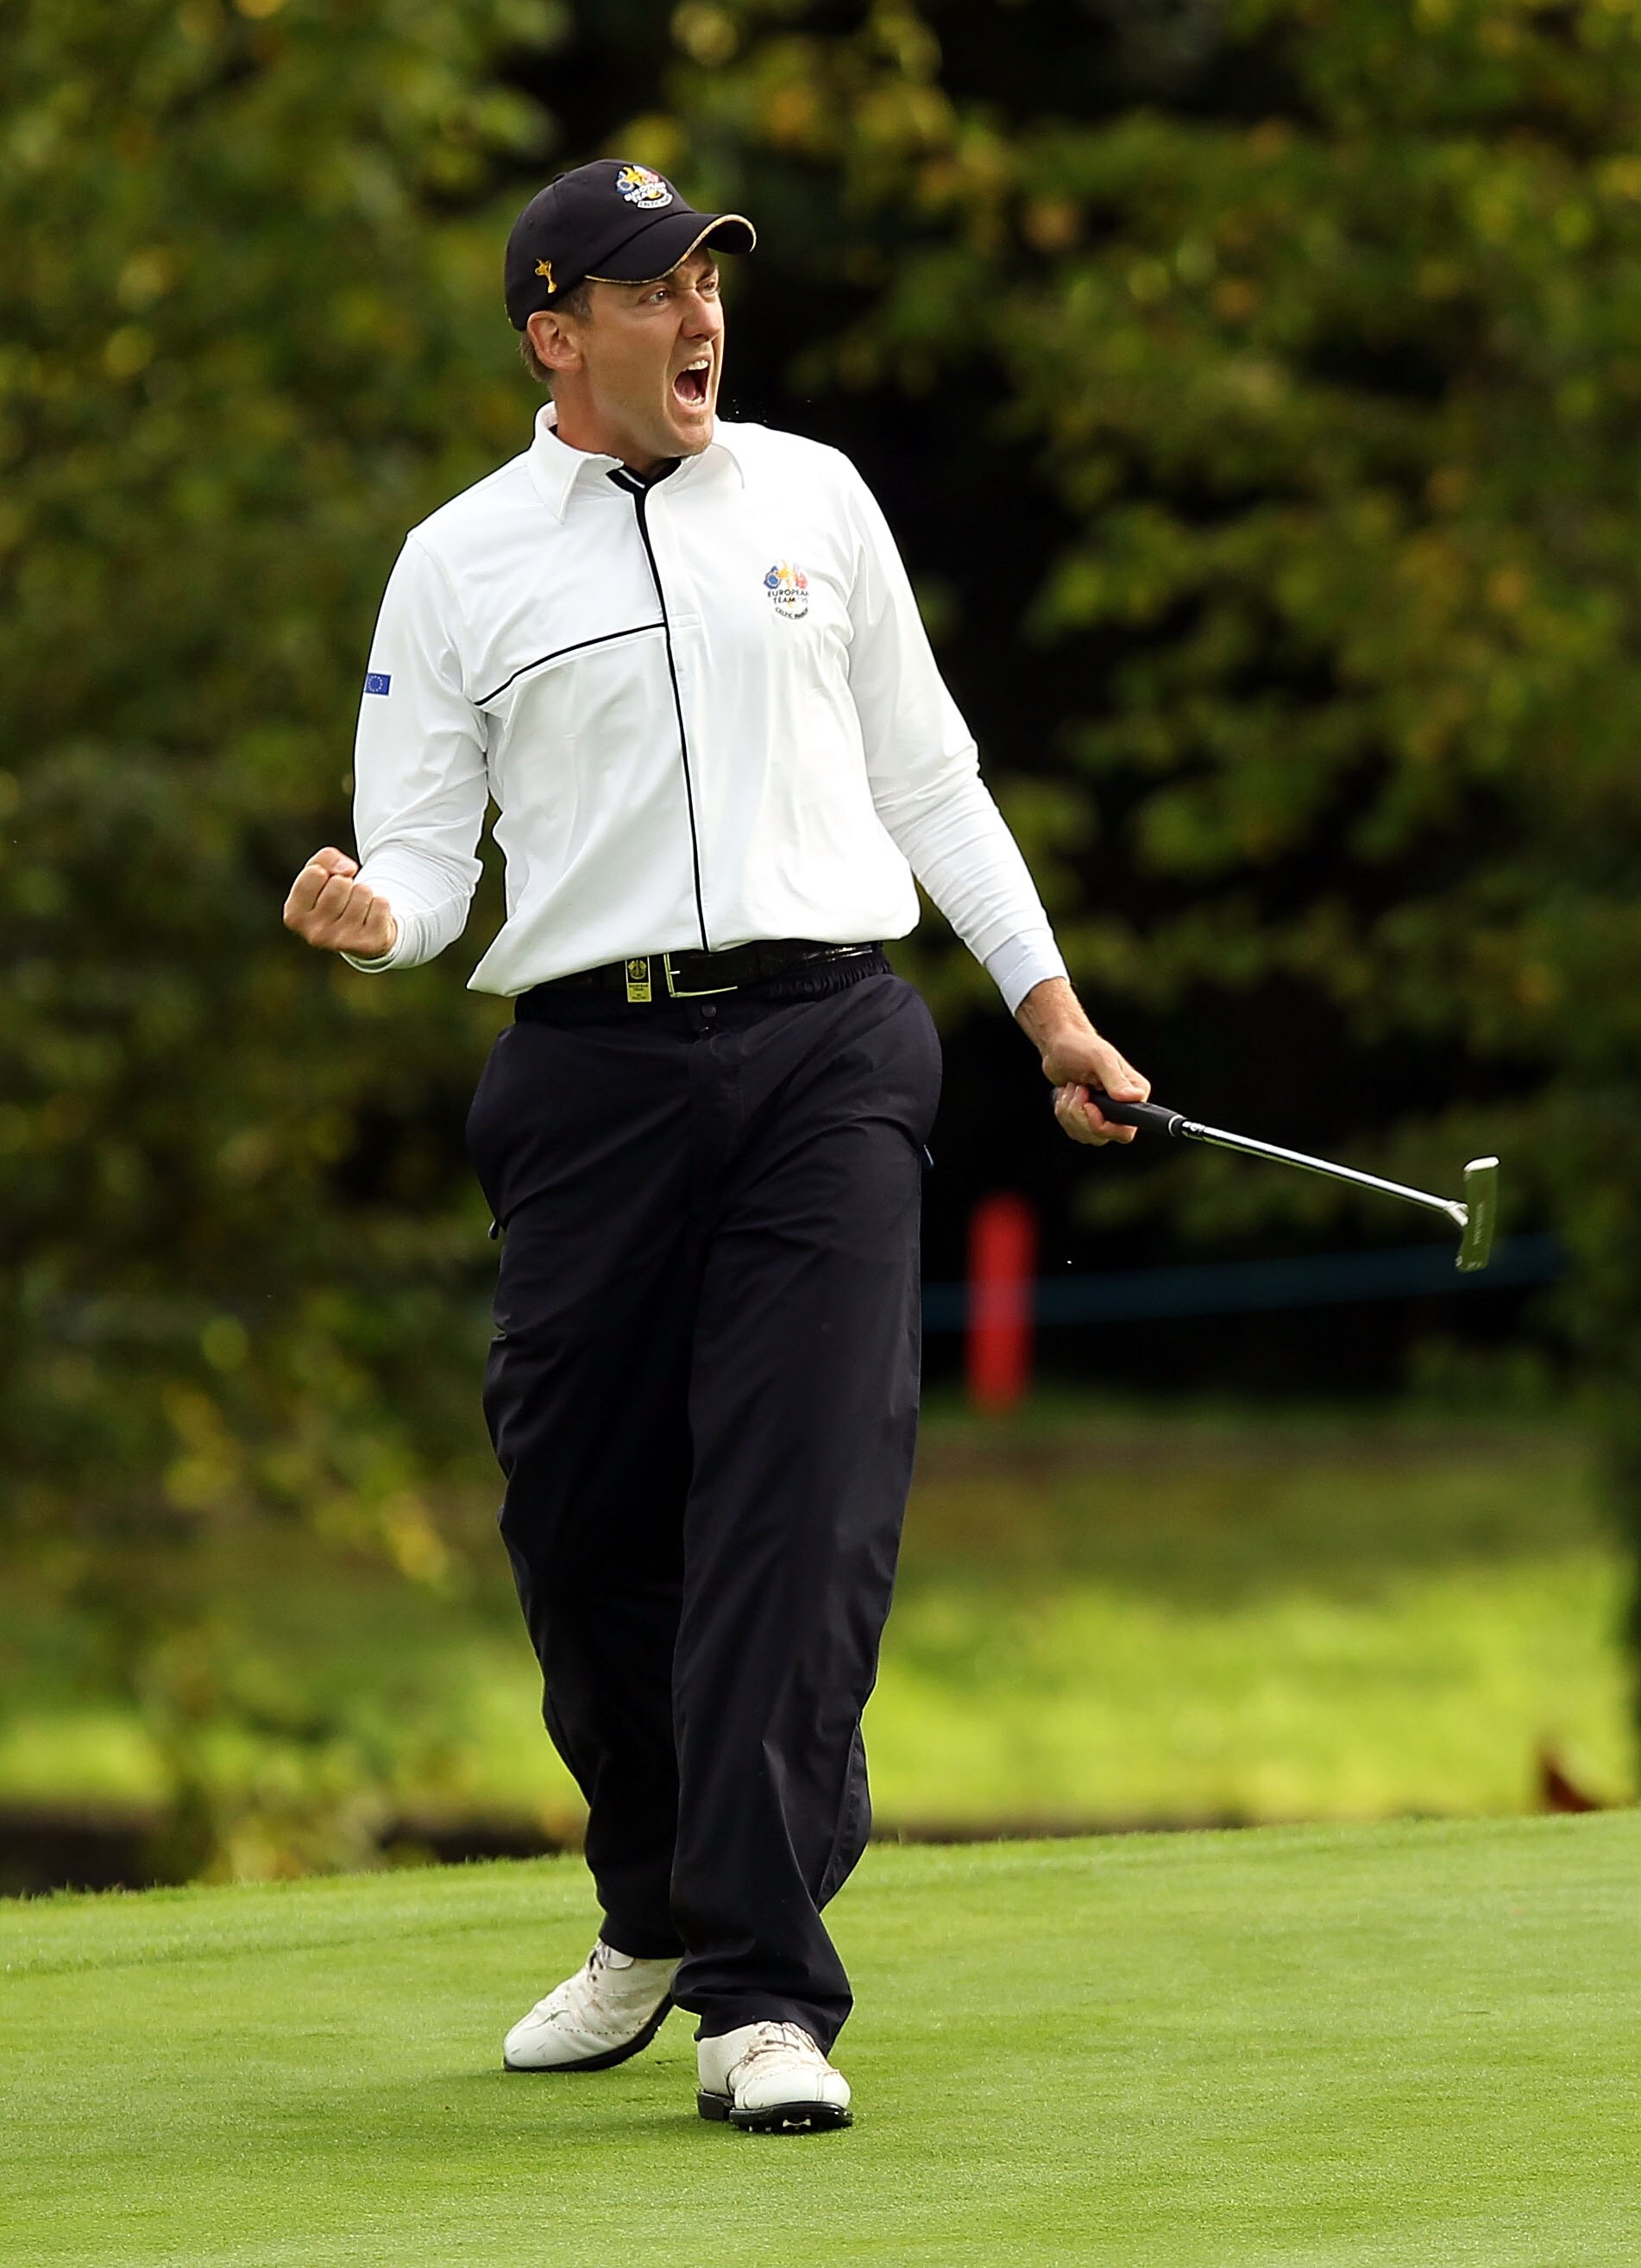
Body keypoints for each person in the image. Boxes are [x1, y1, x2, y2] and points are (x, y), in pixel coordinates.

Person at [282, 158, 1148, 2133]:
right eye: (658, 292)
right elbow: (424, 862)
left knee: (794, 1508)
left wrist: (1046, 1005)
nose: (703, 322)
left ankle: (766, 1992)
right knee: (577, 1526)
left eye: (713, 286)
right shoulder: (460, 559)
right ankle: (659, 1901)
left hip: (831, 1052)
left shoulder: (816, 499)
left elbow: (932, 773)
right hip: (584, 1079)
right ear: (552, 330)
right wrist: (379, 923)